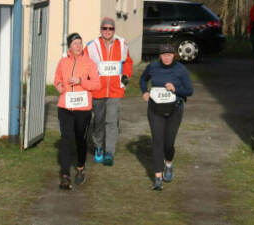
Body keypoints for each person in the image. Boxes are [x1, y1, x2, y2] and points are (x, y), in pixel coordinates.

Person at [139, 43, 193, 191]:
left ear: (174, 55)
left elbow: (189, 91)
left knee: (168, 144)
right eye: (163, 55)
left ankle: (168, 163)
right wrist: (144, 91)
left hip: (174, 109)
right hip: (155, 108)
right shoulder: (153, 67)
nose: (166, 57)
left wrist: (175, 89)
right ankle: (157, 178)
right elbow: (143, 79)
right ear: (160, 56)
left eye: (169, 54)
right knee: (157, 142)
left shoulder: (180, 69)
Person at [54, 33, 101, 189]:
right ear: (69, 47)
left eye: (80, 43)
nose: (78, 46)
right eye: (75, 44)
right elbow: (57, 79)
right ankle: (65, 175)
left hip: (83, 108)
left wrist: (81, 81)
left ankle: (80, 168)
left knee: (80, 139)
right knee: (66, 139)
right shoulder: (62, 62)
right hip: (65, 107)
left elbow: (96, 85)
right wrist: (59, 86)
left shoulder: (89, 63)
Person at [84, 17, 133, 166]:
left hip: (115, 90)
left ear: (114, 30)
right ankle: (99, 146)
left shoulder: (122, 44)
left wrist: (126, 76)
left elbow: (128, 62)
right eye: (104, 28)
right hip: (97, 90)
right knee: (98, 121)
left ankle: (109, 152)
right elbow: (85, 65)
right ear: (101, 30)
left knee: (111, 121)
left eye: (110, 28)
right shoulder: (92, 46)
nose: (107, 31)